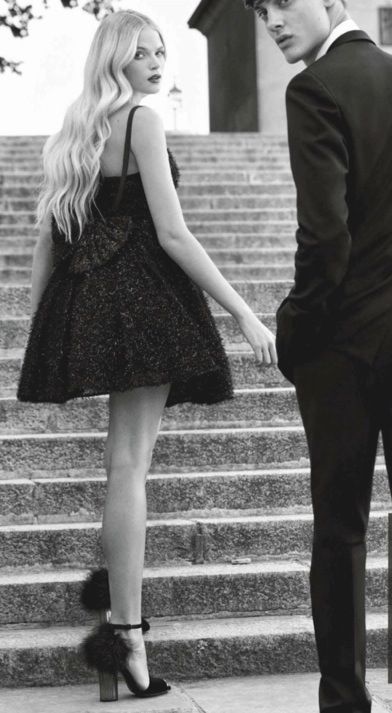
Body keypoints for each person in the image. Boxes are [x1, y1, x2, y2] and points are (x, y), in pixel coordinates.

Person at [16, 8, 277, 702]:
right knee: (130, 468)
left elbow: (50, 238)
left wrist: (43, 324)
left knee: (119, 467)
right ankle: (128, 636)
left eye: (163, 52)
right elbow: (174, 234)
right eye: (144, 53)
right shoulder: (141, 122)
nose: (159, 64)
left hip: (91, 306)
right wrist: (246, 314)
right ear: (117, 60)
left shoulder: (78, 126)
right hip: (143, 308)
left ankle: (117, 629)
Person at [245, 1, 392, 712]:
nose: (273, 21)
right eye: (260, 10)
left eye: (284, 3)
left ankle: (345, 702)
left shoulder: (314, 88)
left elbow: (325, 237)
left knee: (340, 531)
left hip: (346, 350)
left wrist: (293, 330)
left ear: (333, 3)